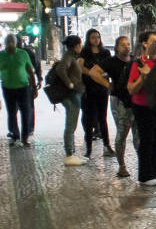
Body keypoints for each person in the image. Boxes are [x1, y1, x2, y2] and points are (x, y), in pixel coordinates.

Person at [89, 36, 139, 177]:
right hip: (120, 101)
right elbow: (94, 72)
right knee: (122, 133)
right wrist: (108, 85)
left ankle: (142, 163)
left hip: (135, 100)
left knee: (138, 134)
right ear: (117, 47)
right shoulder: (111, 62)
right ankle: (122, 165)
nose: (126, 47)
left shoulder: (135, 60)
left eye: (128, 44)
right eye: (123, 45)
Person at [127, 31, 156, 186]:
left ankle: (155, 171)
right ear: (144, 43)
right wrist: (144, 77)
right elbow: (131, 89)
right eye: (153, 41)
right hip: (143, 106)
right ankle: (144, 176)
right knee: (147, 140)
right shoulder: (139, 63)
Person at [0, 34, 37, 146]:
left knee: (25, 112)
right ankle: (14, 134)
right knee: (11, 113)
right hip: (7, 88)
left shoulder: (23, 54)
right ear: (5, 43)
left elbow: (30, 71)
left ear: (16, 43)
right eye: (8, 42)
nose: (10, 44)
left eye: (12, 42)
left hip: (23, 87)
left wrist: (34, 86)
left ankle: (25, 137)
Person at [78, 29, 113, 157]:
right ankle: (88, 149)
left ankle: (107, 145)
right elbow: (79, 66)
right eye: (93, 37)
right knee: (88, 119)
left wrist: (102, 75)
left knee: (102, 118)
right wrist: (91, 73)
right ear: (88, 39)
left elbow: (110, 67)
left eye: (98, 37)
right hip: (88, 90)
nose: (96, 39)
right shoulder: (85, 52)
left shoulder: (105, 52)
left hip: (102, 89)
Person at [55, 35, 87, 165]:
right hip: (71, 95)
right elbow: (61, 69)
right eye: (80, 44)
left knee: (71, 124)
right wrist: (69, 83)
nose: (81, 46)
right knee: (71, 125)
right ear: (76, 46)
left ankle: (72, 152)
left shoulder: (71, 56)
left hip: (74, 94)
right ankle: (69, 154)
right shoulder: (69, 57)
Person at [17, 36, 42, 136]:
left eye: (18, 42)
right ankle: (16, 129)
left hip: (28, 83)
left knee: (29, 106)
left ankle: (29, 128)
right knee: (16, 107)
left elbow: (36, 65)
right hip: (14, 85)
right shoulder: (8, 54)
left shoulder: (27, 52)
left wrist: (39, 79)